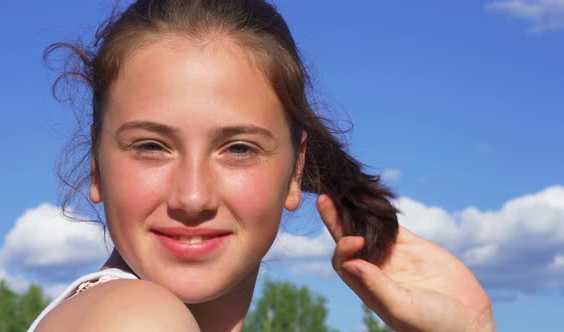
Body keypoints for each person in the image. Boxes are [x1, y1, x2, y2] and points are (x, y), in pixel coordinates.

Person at [29, 0, 496, 331]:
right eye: (151, 146)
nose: (192, 197)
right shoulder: (136, 321)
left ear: (295, 173)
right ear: (96, 167)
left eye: (238, 149)